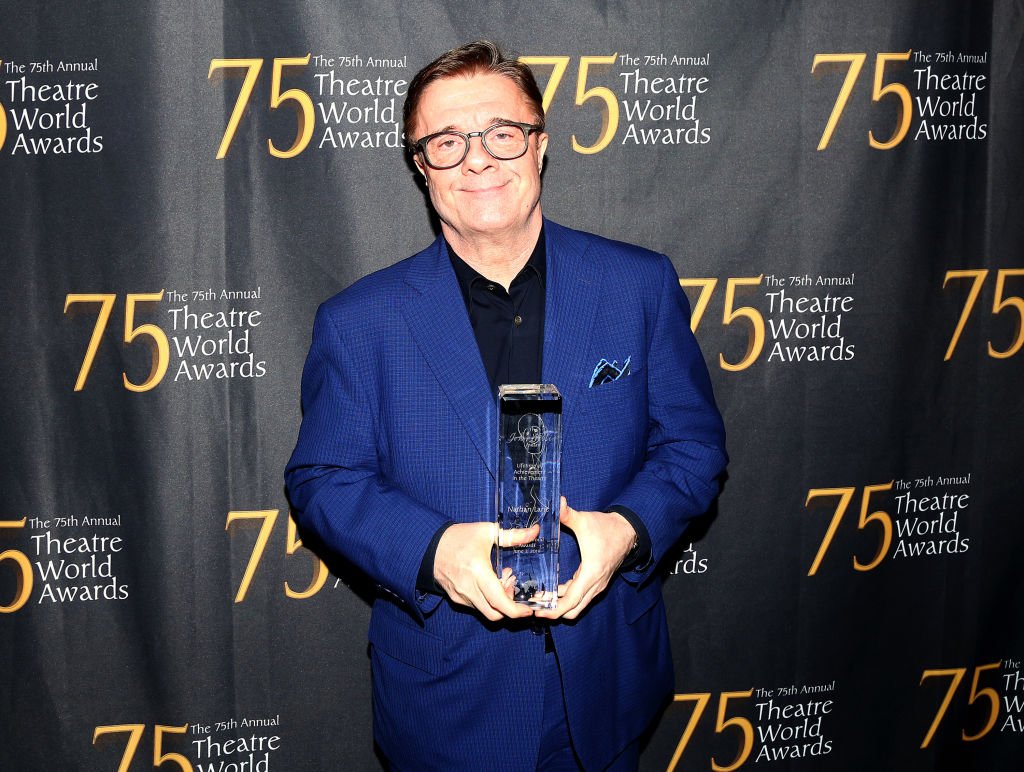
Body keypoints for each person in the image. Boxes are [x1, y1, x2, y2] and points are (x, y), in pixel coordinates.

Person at [285, 40, 726, 771]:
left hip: (607, 687)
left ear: (540, 144)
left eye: (501, 132)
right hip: (447, 701)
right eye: (447, 141)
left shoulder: (638, 285)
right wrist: (434, 552)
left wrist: (625, 530)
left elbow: (693, 446)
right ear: (420, 166)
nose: (478, 160)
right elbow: (323, 479)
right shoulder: (358, 322)